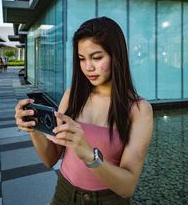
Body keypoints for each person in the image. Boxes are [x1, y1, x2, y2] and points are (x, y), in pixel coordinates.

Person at [15, 17, 153, 205]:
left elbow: (127, 186)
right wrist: (33, 128)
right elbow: (50, 158)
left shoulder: (138, 109)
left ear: (116, 56)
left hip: (107, 200)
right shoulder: (72, 95)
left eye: (97, 58)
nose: (88, 67)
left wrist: (88, 154)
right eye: (82, 59)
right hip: (63, 193)